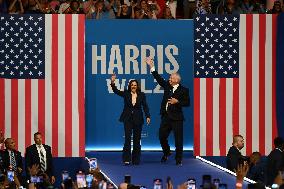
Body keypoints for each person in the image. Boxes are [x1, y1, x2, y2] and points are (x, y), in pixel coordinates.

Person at [145, 57, 190, 166]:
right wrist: (151, 66)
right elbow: (158, 78)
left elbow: (187, 103)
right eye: (170, 77)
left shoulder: (184, 90)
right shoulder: (167, 86)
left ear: (176, 80)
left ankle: (178, 160)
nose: (169, 79)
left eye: (171, 78)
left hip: (177, 118)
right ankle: (167, 151)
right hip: (165, 117)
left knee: (178, 140)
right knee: (161, 136)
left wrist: (177, 101)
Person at [110, 73, 151, 165]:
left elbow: (145, 106)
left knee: (137, 139)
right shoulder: (126, 93)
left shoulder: (142, 95)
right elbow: (116, 91)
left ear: (137, 86)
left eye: (135, 85)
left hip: (138, 119)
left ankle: (136, 160)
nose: (133, 86)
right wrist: (113, 82)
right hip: (127, 119)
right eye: (132, 85)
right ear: (130, 86)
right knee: (127, 139)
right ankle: (126, 159)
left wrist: (147, 116)